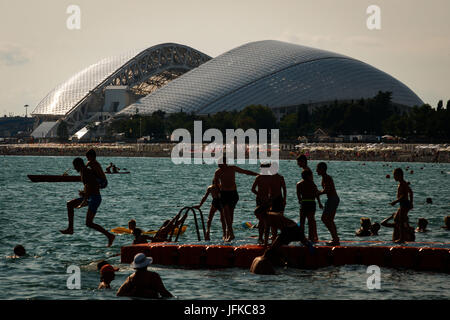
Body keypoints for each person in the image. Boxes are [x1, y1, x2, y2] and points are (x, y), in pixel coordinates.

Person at [60, 157, 115, 247]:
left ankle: (110, 236)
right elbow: (90, 185)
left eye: (75, 166)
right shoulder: (84, 171)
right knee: (70, 204)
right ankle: (70, 228)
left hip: (94, 198)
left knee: (89, 222)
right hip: (91, 197)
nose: (75, 168)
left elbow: (90, 185)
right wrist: (84, 193)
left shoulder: (85, 172)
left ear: (78, 165)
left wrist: (85, 199)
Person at [214, 155, 258, 242]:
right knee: (226, 214)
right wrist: (219, 193)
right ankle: (230, 234)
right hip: (224, 194)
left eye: (220, 163)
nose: (219, 165)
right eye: (218, 164)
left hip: (233, 193)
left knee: (230, 214)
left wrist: (257, 174)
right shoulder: (218, 172)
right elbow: (216, 183)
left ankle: (229, 233)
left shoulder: (232, 168)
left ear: (225, 163)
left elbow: (245, 172)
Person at [317, 162, 340, 246]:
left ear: (322, 169)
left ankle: (335, 238)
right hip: (331, 199)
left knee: (325, 219)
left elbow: (327, 190)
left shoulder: (327, 178)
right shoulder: (324, 178)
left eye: (318, 169)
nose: (316, 171)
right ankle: (335, 238)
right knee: (328, 220)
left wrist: (318, 193)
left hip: (333, 199)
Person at [296, 169, 321, 242]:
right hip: (311, 203)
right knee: (311, 221)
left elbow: (298, 194)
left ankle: (302, 237)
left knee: (302, 221)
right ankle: (311, 237)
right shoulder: (312, 183)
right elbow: (316, 194)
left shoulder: (299, 184)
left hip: (304, 203)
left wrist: (300, 200)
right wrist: (319, 203)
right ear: (309, 176)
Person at [390, 168, 414, 243]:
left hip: (404, 203)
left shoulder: (403, 184)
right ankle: (401, 236)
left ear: (399, 175)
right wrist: (411, 202)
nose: (394, 177)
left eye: (395, 175)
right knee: (398, 219)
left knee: (400, 220)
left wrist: (395, 201)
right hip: (404, 203)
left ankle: (402, 238)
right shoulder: (403, 183)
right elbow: (411, 192)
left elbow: (403, 196)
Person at [252, 163, 273, 244]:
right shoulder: (259, 177)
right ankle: (261, 237)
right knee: (262, 220)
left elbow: (272, 189)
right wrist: (260, 195)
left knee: (267, 220)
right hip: (261, 200)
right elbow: (253, 189)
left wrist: (269, 198)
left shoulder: (269, 178)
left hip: (266, 200)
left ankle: (265, 238)